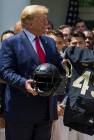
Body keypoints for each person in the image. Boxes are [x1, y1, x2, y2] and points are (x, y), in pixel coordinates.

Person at [0, 5, 62, 140]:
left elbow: (58, 65)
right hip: (21, 111)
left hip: (46, 111)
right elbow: (5, 71)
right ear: (30, 22)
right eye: (43, 20)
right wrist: (24, 83)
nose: (47, 23)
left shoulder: (50, 42)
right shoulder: (11, 43)